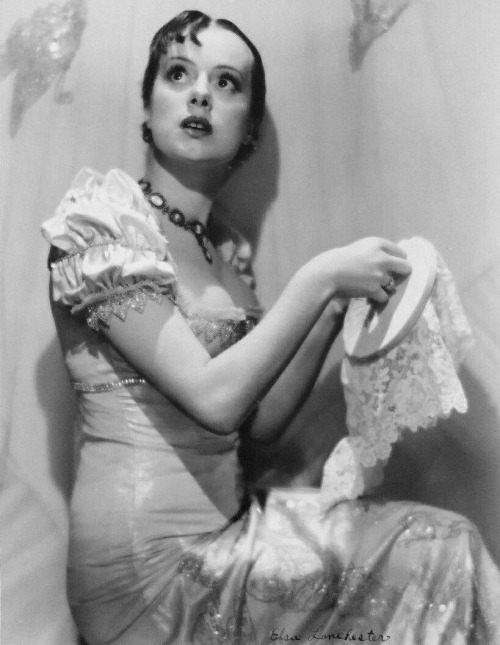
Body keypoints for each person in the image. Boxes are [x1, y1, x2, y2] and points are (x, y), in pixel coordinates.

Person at [42, 10, 500, 645]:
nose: (201, 94)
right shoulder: (103, 225)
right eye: (179, 74)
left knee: (441, 543)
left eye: (226, 82)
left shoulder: (224, 256)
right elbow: (214, 400)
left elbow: (260, 426)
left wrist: (333, 309)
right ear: (148, 105)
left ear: (248, 130)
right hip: (147, 573)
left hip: (230, 531)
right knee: (434, 553)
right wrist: (320, 278)